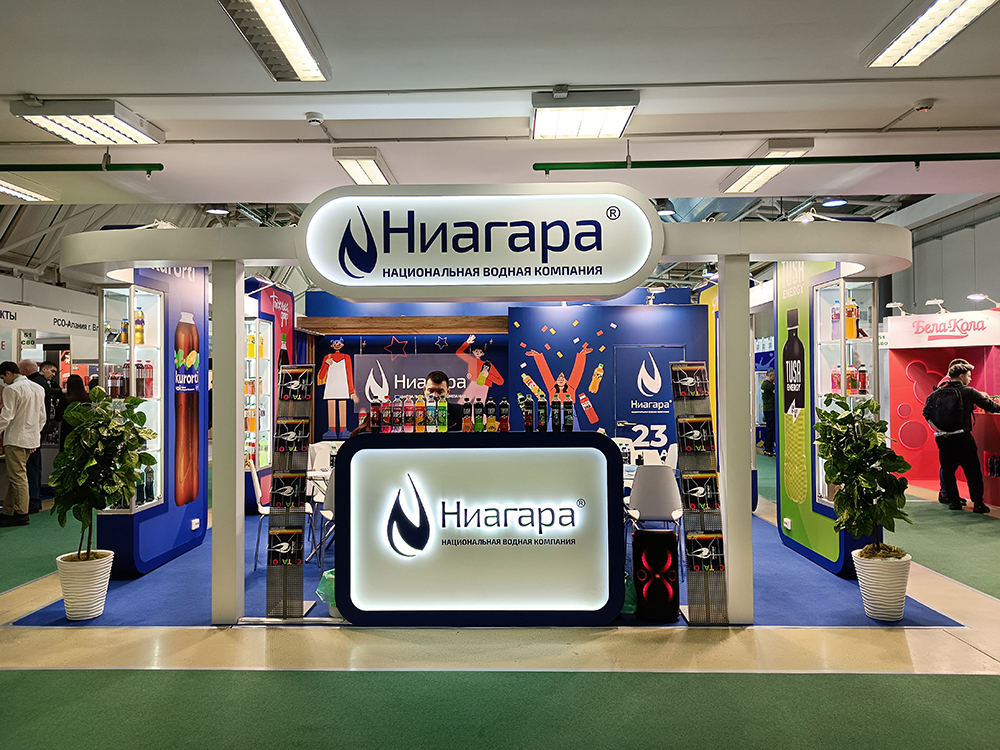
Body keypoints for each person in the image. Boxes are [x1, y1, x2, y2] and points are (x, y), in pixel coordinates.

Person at [923, 360, 1000, 514]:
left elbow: (926, 413)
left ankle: (954, 502)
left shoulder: (935, 393)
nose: (970, 379)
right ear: (961, 376)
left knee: (948, 471)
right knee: (972, 471)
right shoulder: (968, 391)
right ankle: (978, 503)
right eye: (969, 376)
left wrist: (939, 429)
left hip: (943, 438)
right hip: (963, 437)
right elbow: (991, 406)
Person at [0, 361, 47, 527]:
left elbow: (6, 417)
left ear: (8, 373)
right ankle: (7, 511)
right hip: (31, 439)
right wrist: (34, 436)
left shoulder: (11, 390)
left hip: (15, 439)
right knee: (17, 477)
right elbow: (42, 417)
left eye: (3, 378)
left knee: (18, 477)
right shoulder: (38, 388)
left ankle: (21, 513)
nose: (4, 382)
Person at [20, 359, 62, 514]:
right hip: (36, 431)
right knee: (34, 467)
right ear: (43, 369)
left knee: (30, 468)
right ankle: (34, 500)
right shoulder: (40, 384)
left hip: (31, 432)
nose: (53, 375)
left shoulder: (34, 384)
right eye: (52, 371)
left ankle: (32, 501)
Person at [525, 342, 592, 430]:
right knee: (552, 433)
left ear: (566, 381)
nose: (561, 379)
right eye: (559, 378)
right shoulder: (552, 388)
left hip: (570, 409)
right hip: (555, 410)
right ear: (556, 381)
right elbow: (545, 372)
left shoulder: (571, 387)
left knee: (574, 433)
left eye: (563, 378)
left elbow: (577, 371)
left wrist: (582, 355)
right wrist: (538, 356)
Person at [933, 358, 971, 506]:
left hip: (945, 430)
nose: (969, 378)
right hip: (947, 431)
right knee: (948, 465)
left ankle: (949, 493)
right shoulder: (946, 385)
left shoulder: (944, 384)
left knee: (948, 464)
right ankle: (945, 492)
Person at [318, 338, 358, 439]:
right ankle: (331, 430)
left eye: (339, 343)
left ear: (342, 345)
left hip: (342, 386)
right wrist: (326, 364)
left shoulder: (346, 357)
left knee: (342, 407)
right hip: (331, 386)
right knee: (331, 407)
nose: (337, 345)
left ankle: (343, 430)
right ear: (331, 345)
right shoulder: (327, 357)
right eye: (335, 343)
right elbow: (321, 376)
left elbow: (349, 374)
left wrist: (351, 391)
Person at [456, 334, 504, 403]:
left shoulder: (488, 365)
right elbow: (459, 352)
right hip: (472, 383)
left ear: (483, 354)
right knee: (463, 403)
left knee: (478, 405)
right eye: (476, 351)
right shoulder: (471, 360)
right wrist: (467, 343)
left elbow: (500, 381)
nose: (478, 353)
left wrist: (488, 376)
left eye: (480, 352)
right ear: (473, 351)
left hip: (484, 385)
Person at [56, 374, 90, 449]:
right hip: (83, 430)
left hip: (67, 431)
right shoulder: (87, 399)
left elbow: (58, 417)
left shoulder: (65, 400)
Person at [761, 369, 776, 457]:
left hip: (767, 409)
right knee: (770, 429)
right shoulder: (768, 385)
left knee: (769, 428)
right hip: (770, 410)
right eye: (774, 376)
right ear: (770, 375)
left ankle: (767, 446)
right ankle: (768, 448)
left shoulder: (764, 384)